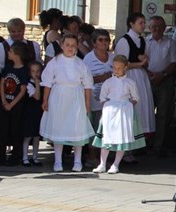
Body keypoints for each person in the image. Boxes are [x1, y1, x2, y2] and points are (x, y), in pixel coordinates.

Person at [0, 18, 42, 165]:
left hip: (26, 95)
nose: (17, 34)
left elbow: (37, 67)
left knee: (20, 126)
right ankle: (1, 156)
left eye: (19, 31)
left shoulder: (33, 46)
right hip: (7, 93)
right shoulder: (0, 48)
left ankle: (18, 155)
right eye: (13, 31)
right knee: (3, 126)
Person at [39, 34, 94, 172]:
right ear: (62, 46)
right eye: (67, 45)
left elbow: (87, 85)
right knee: (59, 127)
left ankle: (77, 161)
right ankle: (58, 161)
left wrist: (87, 104)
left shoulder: (81, 64)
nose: (70, 48)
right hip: (59, 97)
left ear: (77, 47)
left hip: (76, 98)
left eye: (73, 45)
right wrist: (45, 100)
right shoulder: (55, 62)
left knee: (77, 128)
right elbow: (47, 82)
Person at [92, 55, 146, 174]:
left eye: (119, 68)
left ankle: (115, 164)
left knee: (121, 137)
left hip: (123, 112)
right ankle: (102, 164)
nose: (116, 70)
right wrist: (107, 106)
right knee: (106, 137)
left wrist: (128, 105)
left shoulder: (130, 82)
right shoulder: (108, 82)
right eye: (114, 67)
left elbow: (136, 97)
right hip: (110, 111)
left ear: (125, 67)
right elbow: (102, 97)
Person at [114, 13, 156, 143]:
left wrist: (144, 62)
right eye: (140, 23)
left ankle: (138, 139)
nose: (143, 25)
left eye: (144, 23)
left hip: (141, 77)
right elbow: (120, 64)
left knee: (142, 106)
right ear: (131, 24)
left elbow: (145, 60)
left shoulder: (143, 40)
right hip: (129, 76)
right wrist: (140, 63)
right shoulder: (124, 41)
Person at [145, 16, 176, 157]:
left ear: (165, 27)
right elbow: (140, 61)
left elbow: (175, 63)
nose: (157, 29)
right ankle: (145, 144)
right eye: (154, 26)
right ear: (149, 28)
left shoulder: (170, 43)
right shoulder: (144, 42)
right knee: (146, 113)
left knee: (163, 115)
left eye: (160, 26)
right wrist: (149, 73)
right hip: (147, 80)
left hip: (165, 81)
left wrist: (163, 74)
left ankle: (158, 146)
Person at [83, 29, 114, 165]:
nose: (104, 42)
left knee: (107, 128)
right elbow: (84, 79)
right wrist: (102, 77)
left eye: (106, 40)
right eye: (100, 40)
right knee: (95, 127)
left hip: (111, 99)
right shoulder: (88, 59)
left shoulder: (113, 57)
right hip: (94, 98)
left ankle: (104, 158)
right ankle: (91, 157)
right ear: (94, 43)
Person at [0, 41, 30, 166]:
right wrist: (4, 101)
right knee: (2, 130)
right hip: (5, 102)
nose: (8, 53)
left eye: (11, 51)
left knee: (16, 130)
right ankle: (0, 157)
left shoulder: (23, 70)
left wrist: (12, 104)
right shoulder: (8, 67)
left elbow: (22, 90)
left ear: (17, 54)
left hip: (17, 105)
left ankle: (16, 156)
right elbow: (2, 83)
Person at [21, 61, 44, 166]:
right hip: (30, 113)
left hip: (39, 112)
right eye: (33, 71)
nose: (36, 73)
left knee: (36, 136)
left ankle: (35, 157)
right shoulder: (29, 84)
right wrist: (37, 84)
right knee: (28, 135)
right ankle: (25, 157)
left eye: (38, 71)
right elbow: (37, 96)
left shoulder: (43, 82)